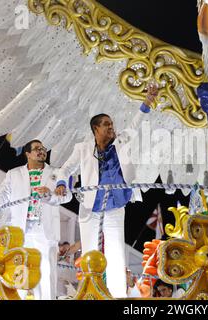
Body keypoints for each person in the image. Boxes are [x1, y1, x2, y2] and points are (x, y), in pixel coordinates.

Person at [54, 113, 142, 298]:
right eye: (106, 124)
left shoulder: (120, 142)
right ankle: (89, 294)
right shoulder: (83, 148)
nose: (111, 127)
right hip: (90, 207)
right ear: (96, 129)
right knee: (90, 253)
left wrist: (148, 102)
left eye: (112, 124)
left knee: (116, 254)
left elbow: (134, 125)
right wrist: (62, 182)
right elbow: (65, 169)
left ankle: (118, 296)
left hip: (115, 206)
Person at [0, 139, 72, 300]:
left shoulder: (57, 172)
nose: (42, 151)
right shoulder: (14, 174)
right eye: (37, 148)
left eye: (44, 148)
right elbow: (2, 194)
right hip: (21, 230)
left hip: (44, 230)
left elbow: (67, 196)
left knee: (46, 272)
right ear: (27, 154)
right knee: (20, 270)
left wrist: (50, 195)